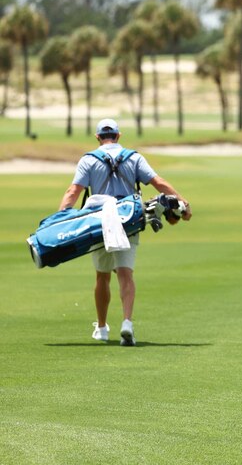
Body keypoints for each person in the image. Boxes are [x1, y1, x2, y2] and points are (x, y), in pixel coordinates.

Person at [58, 118, 192, 346]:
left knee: (102, 276)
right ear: (119, 136)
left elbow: (73, 191)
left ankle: (101, 328)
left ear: (97, 137)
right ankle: (127, 323)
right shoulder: (134, 157)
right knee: (125, 274)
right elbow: (158, 182)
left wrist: (60, 218)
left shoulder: (88, 160)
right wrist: (183, 202)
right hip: (127, 220)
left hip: (98, 222)